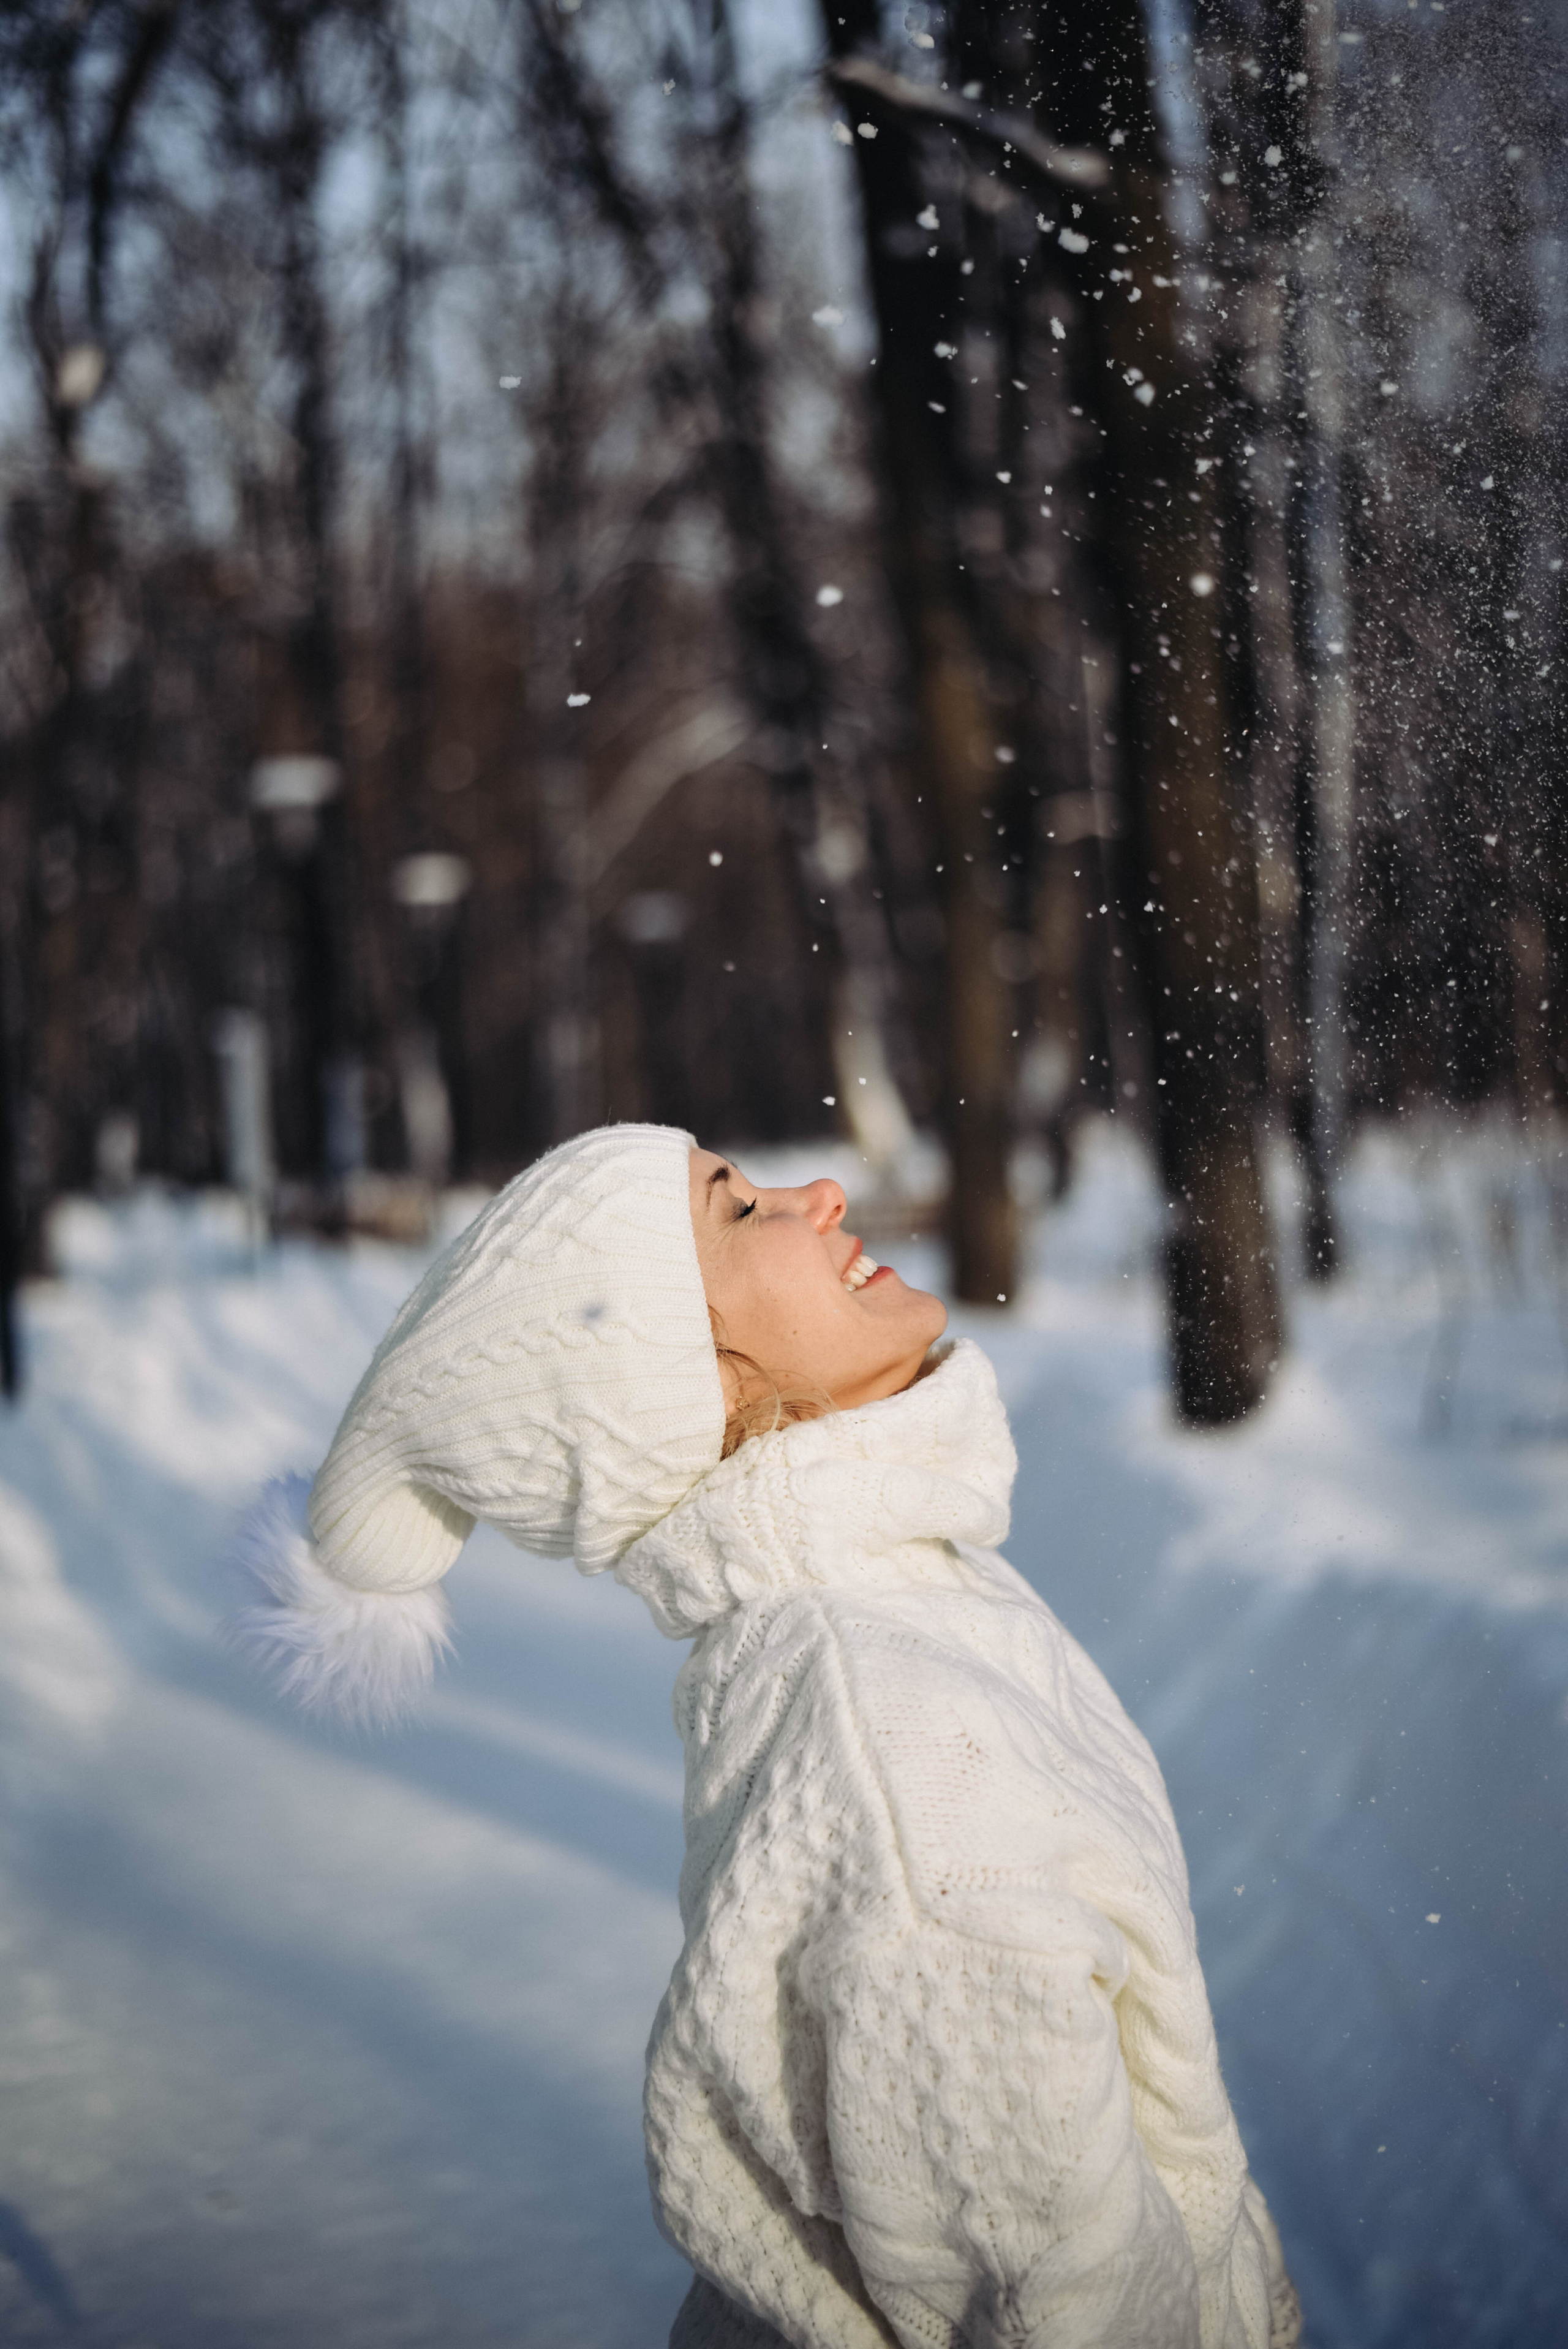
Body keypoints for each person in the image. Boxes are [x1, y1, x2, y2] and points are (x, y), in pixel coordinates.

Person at [233, 1123, 1300, 2349]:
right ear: (695, 1386)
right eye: (736, 1213)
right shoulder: (887, 1753)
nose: (821, 1194)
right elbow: (1072, 2314)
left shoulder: (905, 1596)